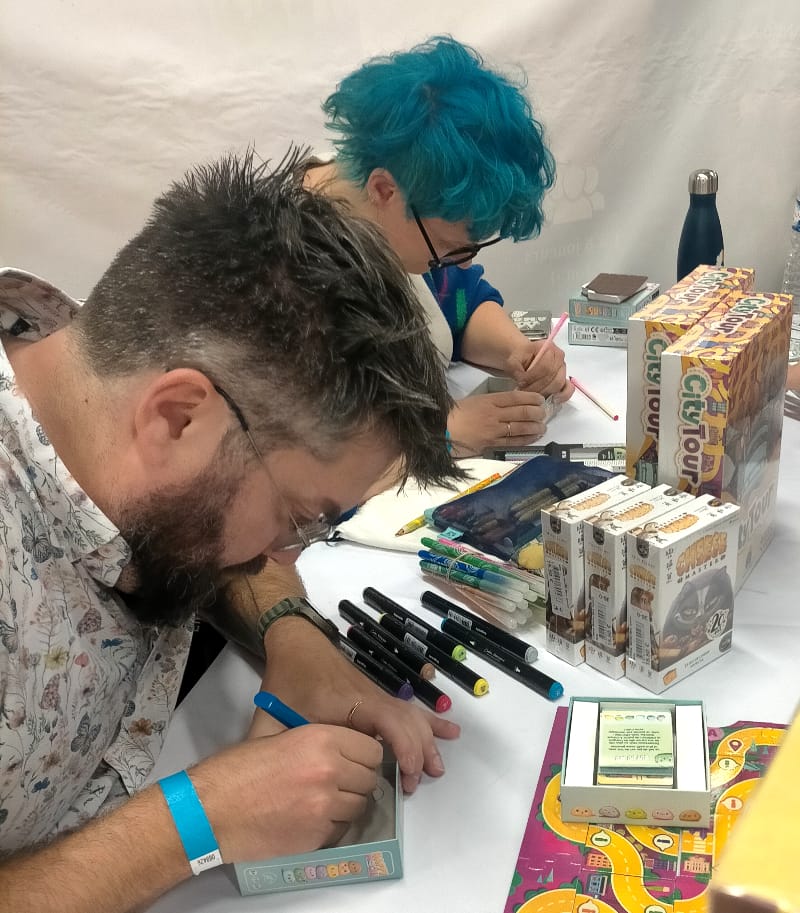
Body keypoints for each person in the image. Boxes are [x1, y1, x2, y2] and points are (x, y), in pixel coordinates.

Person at [0, 149, 463, 910]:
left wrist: (292, 633)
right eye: (297, 515)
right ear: (179, 417)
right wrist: (192, 822)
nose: (285, 555)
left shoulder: (98, 382)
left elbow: (194, 535)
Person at [303, 35, 574, 459]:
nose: (458, 263)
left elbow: (457, 304)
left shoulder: (395, 217)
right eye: (449, 247)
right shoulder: (279, 265)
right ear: (384, 189)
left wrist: (516, 351)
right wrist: (442, 432)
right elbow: (300, 446)